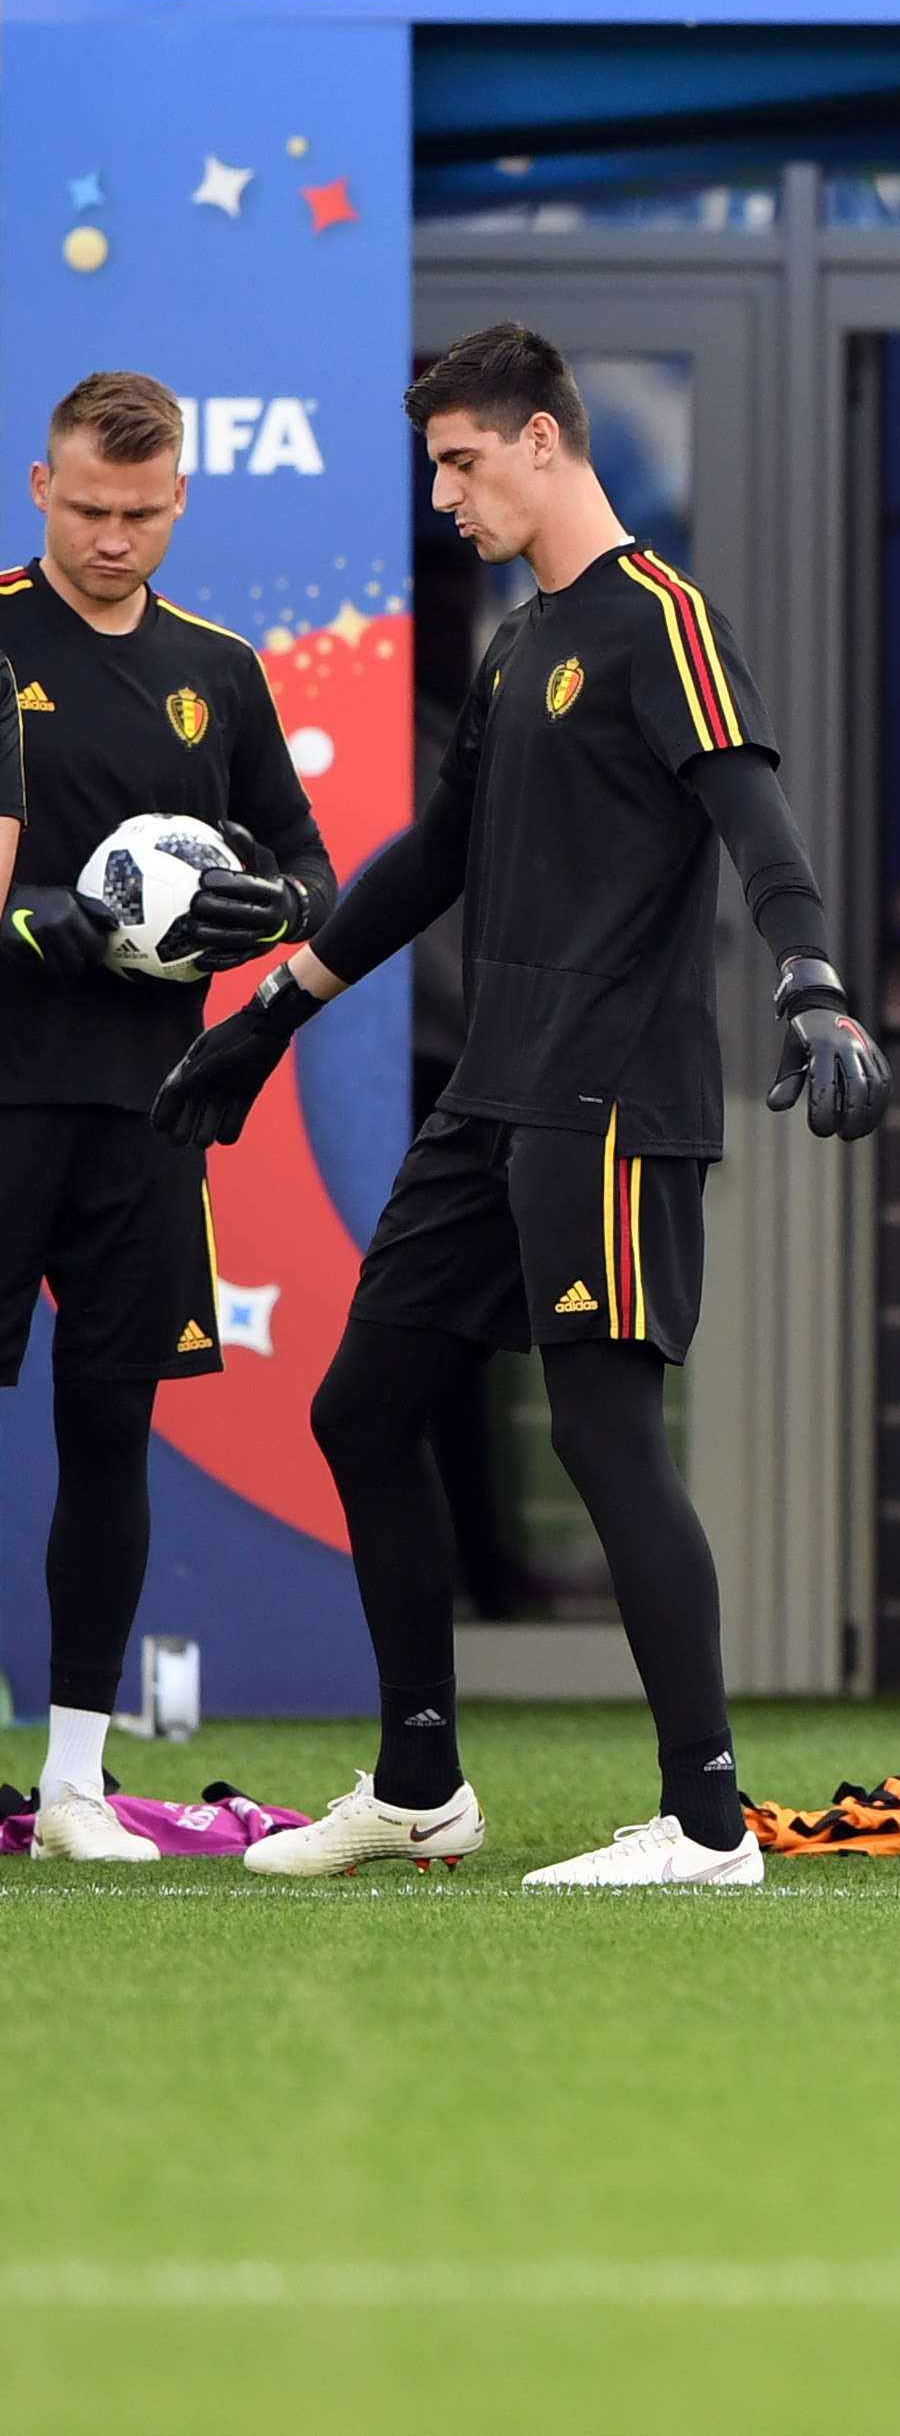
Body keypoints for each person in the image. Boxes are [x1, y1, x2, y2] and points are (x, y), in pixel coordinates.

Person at [161, 322, 887, 1886]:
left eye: (461, 461)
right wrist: (271, 1015)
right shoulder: (519, 636)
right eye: (436, 465)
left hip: (613, 1099)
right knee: (359, 1407)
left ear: (547, 441)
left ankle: (708, 1821)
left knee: (603, 1428)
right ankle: (421, 1781)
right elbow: (437, 855)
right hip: (493, 1096)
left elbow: (751, 811)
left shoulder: (662, 620)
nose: (443, 496)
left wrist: (813, 979)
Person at [3, 371, 334, 1863]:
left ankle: (75, 1779)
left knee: (109, 1425)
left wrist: (278, 906)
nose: (114, 536)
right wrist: (43, 923)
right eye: (88, 508)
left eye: (141, 511)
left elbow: (318, 871)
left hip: (147, 1109)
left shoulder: (224, 669)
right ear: (39, 487)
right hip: (1, 1092)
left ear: (181, 498)